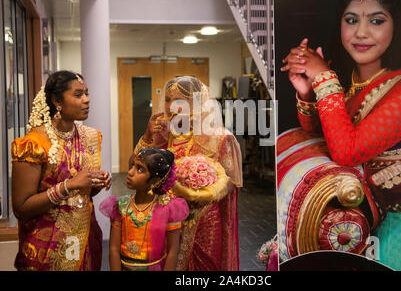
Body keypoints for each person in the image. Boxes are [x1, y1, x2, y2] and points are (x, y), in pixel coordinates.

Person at [281, 0, 401, 270]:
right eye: (351, 19)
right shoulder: (352, 83)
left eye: (376, 20)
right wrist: (308, 92)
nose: (361, 32)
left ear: (397, 23)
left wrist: (323, 78)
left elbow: (348, 152)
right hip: (360, 219)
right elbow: (326, 140)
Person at [133, 76, 243, 271]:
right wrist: (147, 136)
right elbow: (137, 167)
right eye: (167, 99)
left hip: (205, 218)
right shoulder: (165, 135)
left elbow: (230, 183)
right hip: (169, 216)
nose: (170, 106)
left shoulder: (220, 137)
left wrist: (198, 193)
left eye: (178, 101)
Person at [11, 71, 111, 271]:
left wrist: (96, 184)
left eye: (87, 93)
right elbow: (21, 208)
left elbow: (83, 194)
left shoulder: (89, 136)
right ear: (57, 101)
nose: (86, 100)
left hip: (85, 241)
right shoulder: (34, 144)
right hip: (47, 249)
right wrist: (68, 185)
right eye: (78, 95)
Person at [100, 148, 188, 271]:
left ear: (155, 181)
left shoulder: (169, 208)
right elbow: (114, 249)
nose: (130, 172)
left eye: (140, 169)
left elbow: (172, 251)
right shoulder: (121, 205)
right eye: (132, 166)